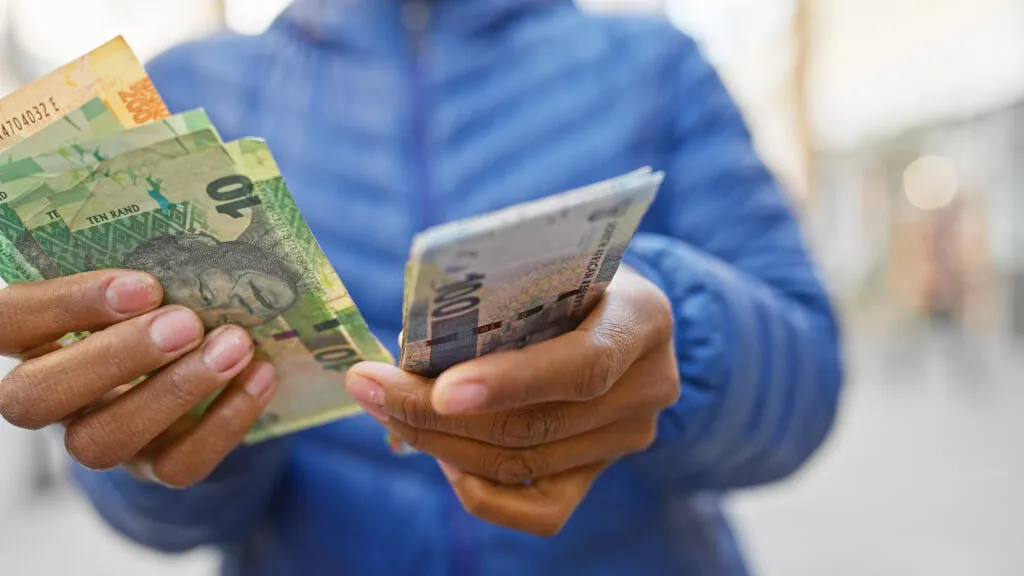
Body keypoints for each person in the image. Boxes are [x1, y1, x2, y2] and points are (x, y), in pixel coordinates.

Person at [0, 1, 844, 574]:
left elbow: (805, 385)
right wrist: (166, 441)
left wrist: (677, 348)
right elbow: (160, 514)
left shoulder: (655, 64)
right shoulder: (191, 93)